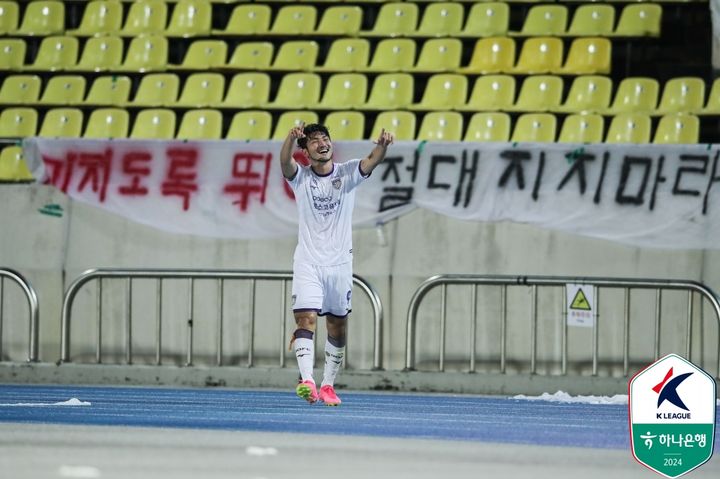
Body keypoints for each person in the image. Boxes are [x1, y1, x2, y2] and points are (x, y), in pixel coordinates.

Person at [280, 122, 394, 406]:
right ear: (305, 151)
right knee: (305, 319)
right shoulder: (301, 178)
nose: (322, 143)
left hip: (340, 264)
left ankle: (328, 385)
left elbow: (371, 161)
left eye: (325, 138)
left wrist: (382, 145)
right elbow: (284, 163)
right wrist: (288, 139)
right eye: (315, 140)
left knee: (337, 326)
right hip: (308, 261)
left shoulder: (346, 172)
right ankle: (307, 380)